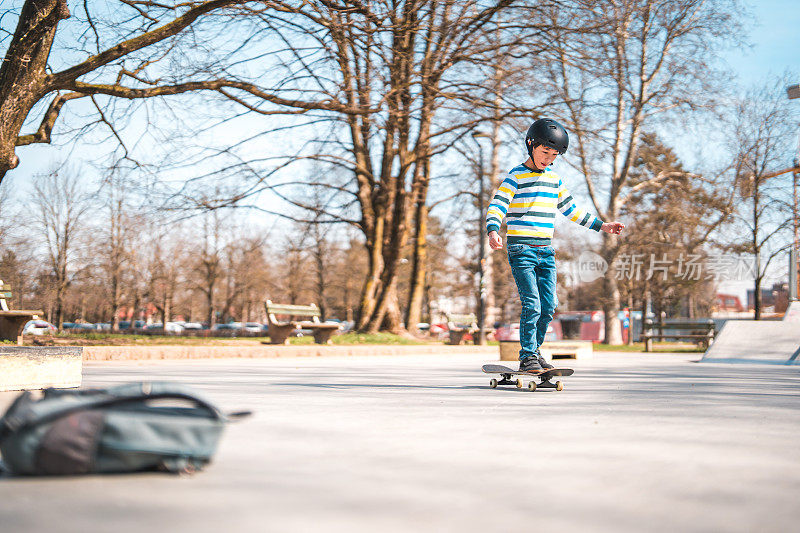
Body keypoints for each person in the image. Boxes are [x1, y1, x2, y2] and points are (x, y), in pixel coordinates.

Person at [485, 118, 625, 372]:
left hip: (546, 251)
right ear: (531, 145)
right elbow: (498, 205)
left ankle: (535, 352)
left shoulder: (554, 180)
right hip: (521, 250)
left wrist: (602, 226)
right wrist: (493, 229)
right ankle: (527, 355)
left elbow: (572, 211)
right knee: (532, 304)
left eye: (554, 155)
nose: (548, 158)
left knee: (549, 306)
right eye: (544, 152)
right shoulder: (515, 176)